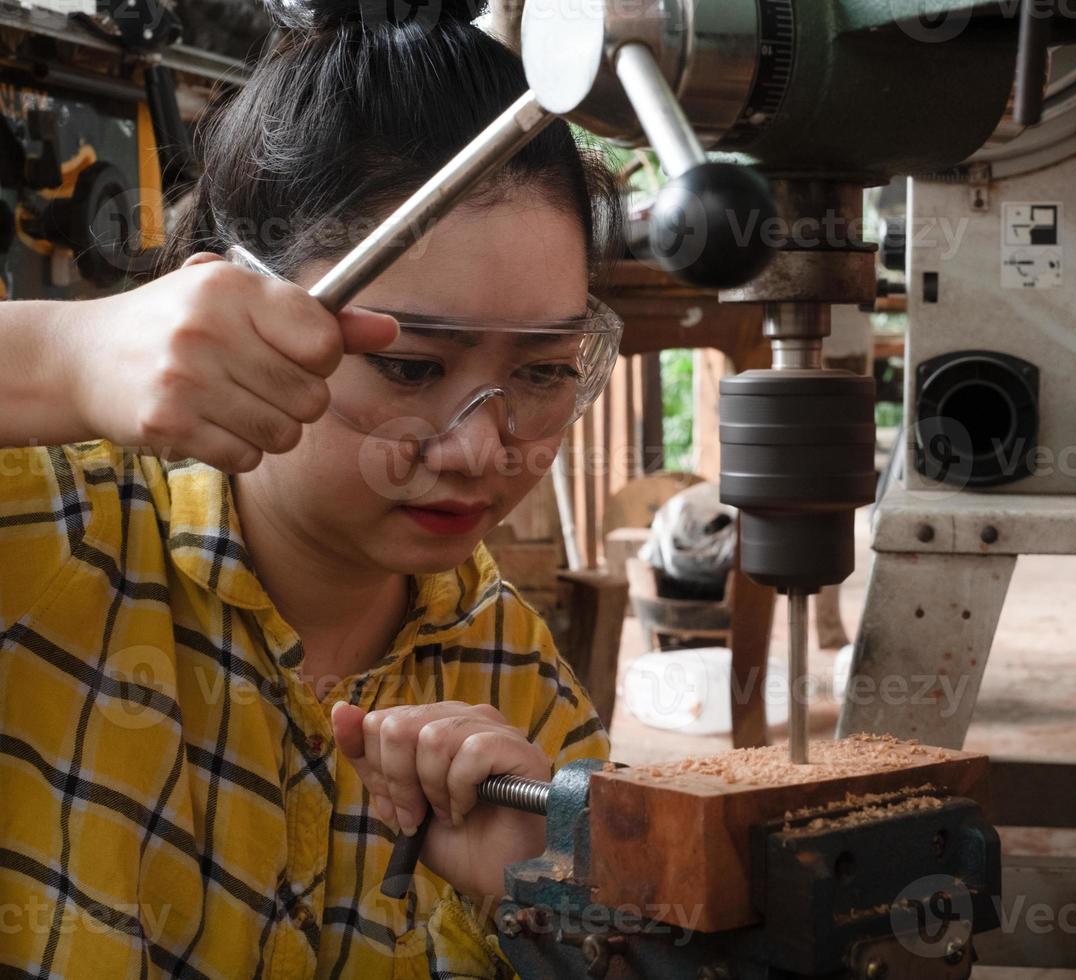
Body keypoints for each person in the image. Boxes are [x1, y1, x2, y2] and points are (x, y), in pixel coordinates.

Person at [0, 0, 621, 974]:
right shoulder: (63, 534)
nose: (477, 451)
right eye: (413, 367)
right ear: (239, 313)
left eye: (542, 373)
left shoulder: (510, 667)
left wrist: (542, 899)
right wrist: (59, 356)